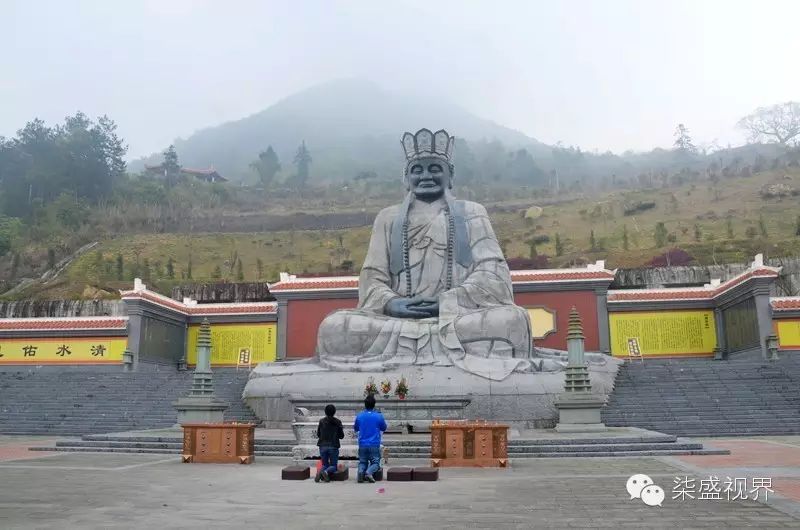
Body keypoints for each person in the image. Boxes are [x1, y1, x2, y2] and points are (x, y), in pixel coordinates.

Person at [316, 128, 533, 382]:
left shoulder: (473, 212)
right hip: (395, 322)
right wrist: (391, 303)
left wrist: (448, 302)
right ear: (406, 178)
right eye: (417, 170)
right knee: (334, 326)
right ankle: (435, 349)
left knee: (513, 319)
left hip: (458, 317)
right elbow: (372, 278)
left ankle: (416, 350)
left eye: (435, 168)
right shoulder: (387, 218)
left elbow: (492, 273)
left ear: (450, 175)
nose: (426, 176)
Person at [353, 394, 387, 483]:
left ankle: (360, 472)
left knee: (363, 462)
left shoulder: (360, 416)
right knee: (376, 463)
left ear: (365, 404)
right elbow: (384, 427)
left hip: (362, 443)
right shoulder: (378, 416)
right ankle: (368, 472)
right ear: (374, 404)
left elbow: (356, 428)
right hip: (374, 443)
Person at [315, 404, 344, 483]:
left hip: (322, 445)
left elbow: (318, 434)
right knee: (333, 466)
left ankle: (319, 472)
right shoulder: (338, 422)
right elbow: (341, 436)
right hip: (333, 446)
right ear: (334, 412)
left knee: (324, 464)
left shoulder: (321, 421)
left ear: (325, 412)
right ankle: (325, 472)